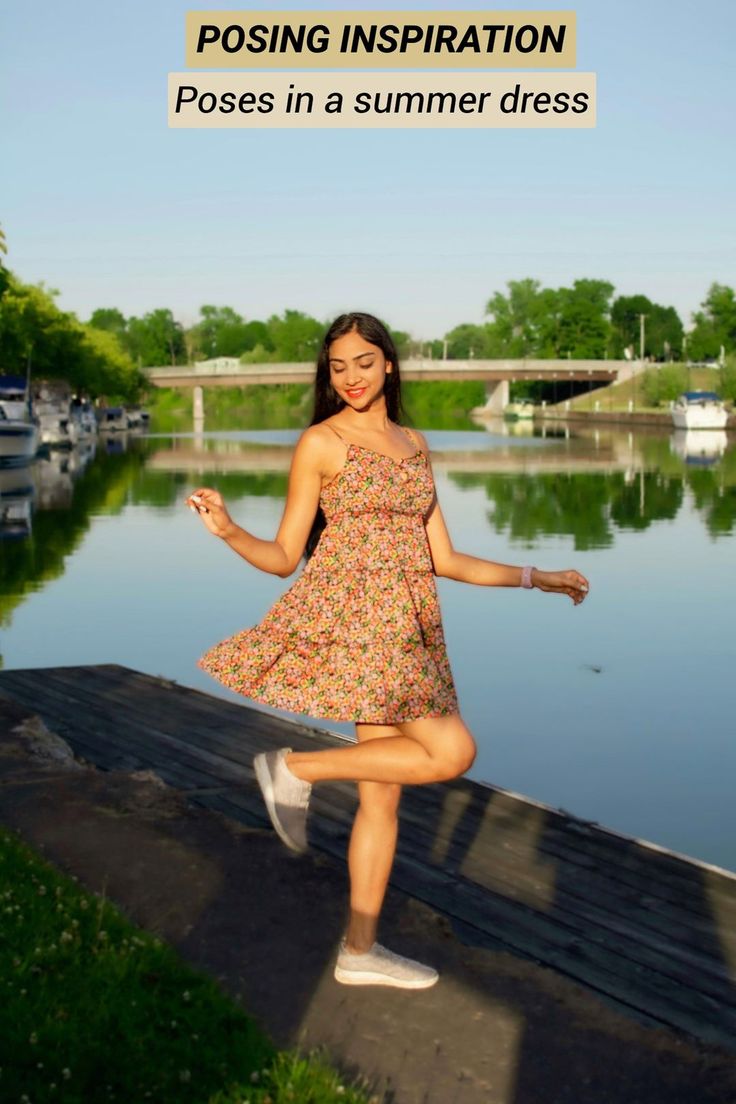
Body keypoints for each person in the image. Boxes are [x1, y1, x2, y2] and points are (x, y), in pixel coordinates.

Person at [185, 311, 589, 990]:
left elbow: (446, 558)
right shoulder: (322, 441)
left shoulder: (415, 444)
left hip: (415, 631)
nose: (350, 378)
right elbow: (286, 556)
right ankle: (295, 768)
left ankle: (360, 949)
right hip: (363, 627)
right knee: (454, 752)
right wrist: (228, 530)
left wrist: (536, 577)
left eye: (363, 363)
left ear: (389, 365)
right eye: (338, 366)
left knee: (381, 797)